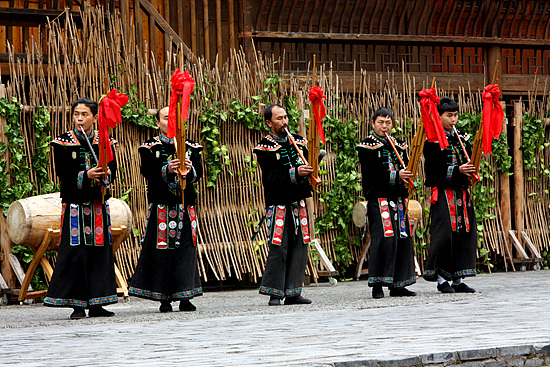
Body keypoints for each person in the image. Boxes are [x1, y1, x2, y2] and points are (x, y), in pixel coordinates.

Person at [44, 98, 118, 319]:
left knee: (99, 254)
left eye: (84, 114)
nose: (79, 118)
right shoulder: (62, 144)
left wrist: (106, 176)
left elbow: (112, 171)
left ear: (95, 118)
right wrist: (85, 176)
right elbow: (63, 176)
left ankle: (97, 303)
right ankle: (77, 305)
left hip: (97, 207)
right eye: (76, 114)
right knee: (75, 255)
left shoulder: (106, 141)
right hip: (75, 209)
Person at [129, 106, 203, 312]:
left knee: (186, 251)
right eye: (166, 118)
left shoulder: (191, 147)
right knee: (162, 251)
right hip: (161, 208)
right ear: (158, 123)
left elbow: (199, 173)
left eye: (174, 118)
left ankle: (185, 297)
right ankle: (164, 299)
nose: (170, 122)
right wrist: (166, 169)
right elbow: (147, 172)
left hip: (185, 208)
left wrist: (190, 170)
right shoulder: (149, 147)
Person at [253, 104, 313, 306]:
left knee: (300, 246)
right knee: (279, 247)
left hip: (298, 203)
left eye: (285, 117)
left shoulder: (299, 142)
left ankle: (293, 292)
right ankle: (275, 293)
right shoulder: (264, 148)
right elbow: (270, 177)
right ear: (269, 123)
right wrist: (296, 172)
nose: (284, 122)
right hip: (278, 204)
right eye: (279, 119)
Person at [356, 107, 417, 299]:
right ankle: (378, 285)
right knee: (384, 240)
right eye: (381, 122)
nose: (385, 126)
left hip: (398, 200)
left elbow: (406, 168)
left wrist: (407, 175)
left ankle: (399, 284)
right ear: (373, 123)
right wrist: (395, 175)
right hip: (379, 199)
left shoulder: (399, 145)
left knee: (403, 239)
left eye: (388, 122)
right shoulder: (366, 146)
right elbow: (371, 175)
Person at [423, 96, 477, 293]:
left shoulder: (461, 138)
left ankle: (458, 278)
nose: (453, 120)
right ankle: (441, 279)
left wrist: (470, 170)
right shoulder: (432, 141)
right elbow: (433, 171)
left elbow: (469, 160)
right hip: (444, 194)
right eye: (449, 115)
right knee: (444, 236)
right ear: (439, 116)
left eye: (455, 115)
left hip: (461, 193)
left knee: (464, 233)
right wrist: (456, 171)